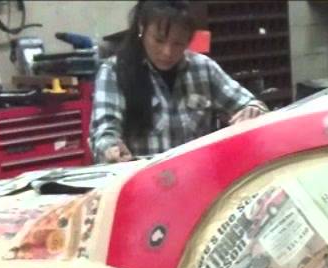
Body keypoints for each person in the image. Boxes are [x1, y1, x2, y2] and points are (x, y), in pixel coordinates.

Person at [90, 0, 268, 163]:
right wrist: (111, 149)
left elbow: (250, 104)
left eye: (178, 44)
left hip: (199, 174)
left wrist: (253, 110)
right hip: (144, 180)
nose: (167, 52)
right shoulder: (114, 72)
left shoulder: (203, 68)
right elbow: (104, 132)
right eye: (159, 40)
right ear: (142, 28)